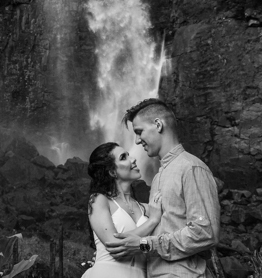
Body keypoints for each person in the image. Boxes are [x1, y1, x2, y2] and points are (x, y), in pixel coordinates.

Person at [106, 98, 220, 277]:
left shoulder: (191, 168)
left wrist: (146, 244)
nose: (136, 141)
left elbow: (205, 232)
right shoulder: (158, 177)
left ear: (158, 125)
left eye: (139, 132)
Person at [82, 142, 163, 278]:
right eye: (123, 157)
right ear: (112, 172)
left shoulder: (148, 208)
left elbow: (158, 243)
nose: (133, 159)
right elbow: (114, 245)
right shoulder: (98, 200)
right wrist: (153, 221)